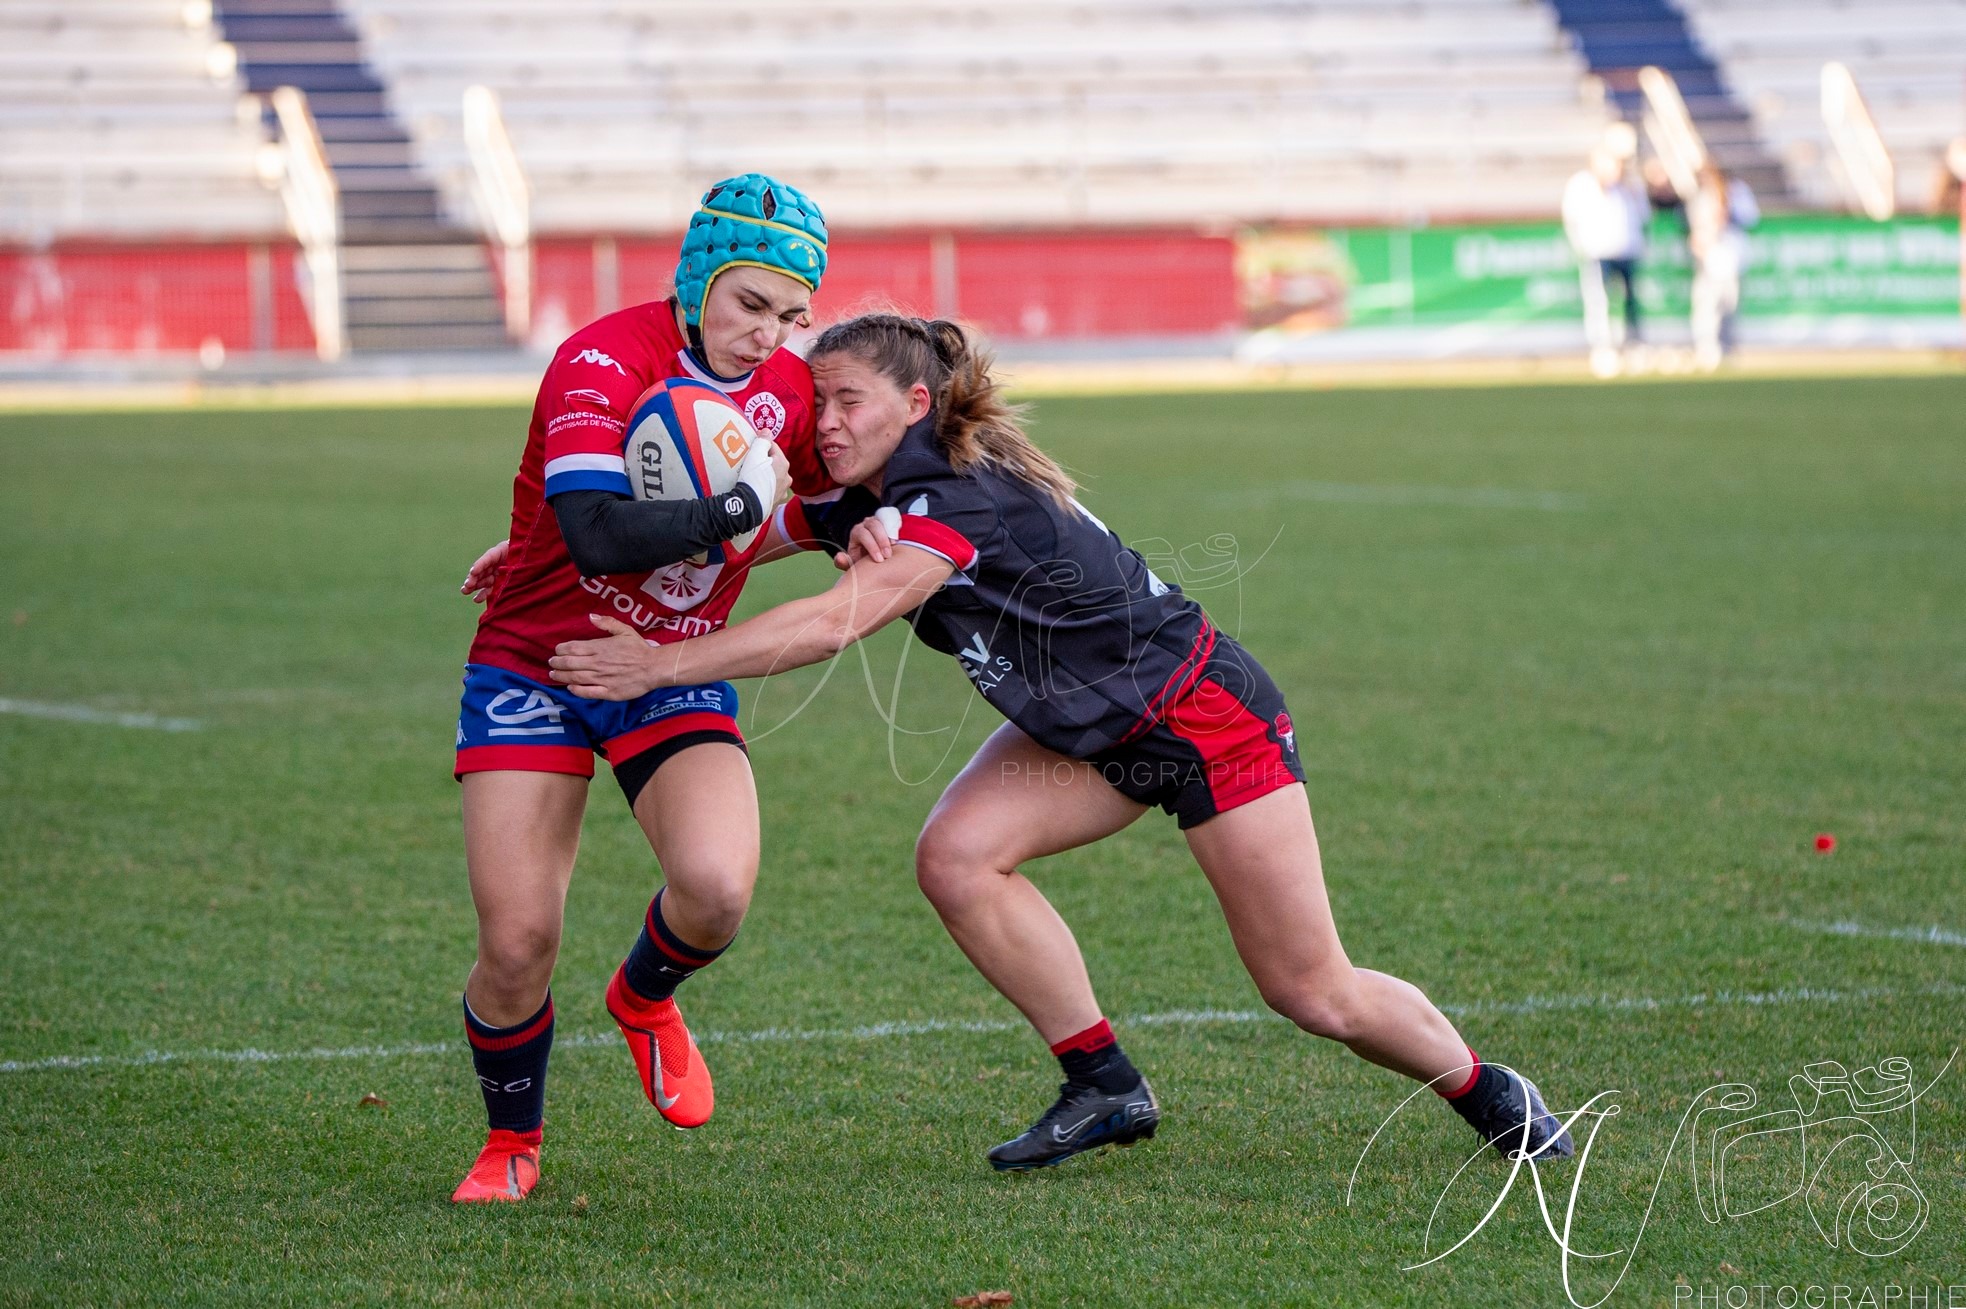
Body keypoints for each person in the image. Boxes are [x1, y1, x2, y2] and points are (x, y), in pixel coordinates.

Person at [546, 313, 1577, 1172]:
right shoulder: (876, 490)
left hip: (1203, 719)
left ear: (914, 406)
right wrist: (578, 538)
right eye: (816, 400)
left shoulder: (949, 496)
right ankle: (1104, 1083)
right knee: (955, 857)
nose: (824, 419)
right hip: (1091, 734)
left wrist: (657, 665)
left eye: (845, 399)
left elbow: (830, 623)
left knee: (1310, 989)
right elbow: (749, 533)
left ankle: (1489, 1090)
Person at [446, 173, 845, 1203]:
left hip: (669, 665)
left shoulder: (790, 389)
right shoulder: (599, 358)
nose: (767, 336)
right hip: (538, 660)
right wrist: (734, 505)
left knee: (715, 890)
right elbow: (596, 532)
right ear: (697, 275)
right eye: (749, 304)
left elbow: (827, 500)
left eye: (790, 315)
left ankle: (643, 998)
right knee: (518, 937)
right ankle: (511, 1141)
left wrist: (865, 522)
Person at [1563, 142, 1651, 378]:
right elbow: (1572, 217)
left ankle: (1633, 346)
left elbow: (1643, 215)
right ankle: (1603, 349)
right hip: (1598, 252)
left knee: (1630, 300)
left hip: (1627, 250)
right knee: (1599, 301)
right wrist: (1581, 246)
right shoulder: (1582, 184)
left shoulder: (1631, 187)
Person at [1687, 161, 1759, 372]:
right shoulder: (1701, 199)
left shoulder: (1736, 194)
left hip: (1729, 258)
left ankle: (1726, 348)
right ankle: (1706, 347)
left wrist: (1728, 216)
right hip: (1708, 258)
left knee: (1728, 306)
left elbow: (1750, 219)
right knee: (1706, 306)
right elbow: (1696, 227)